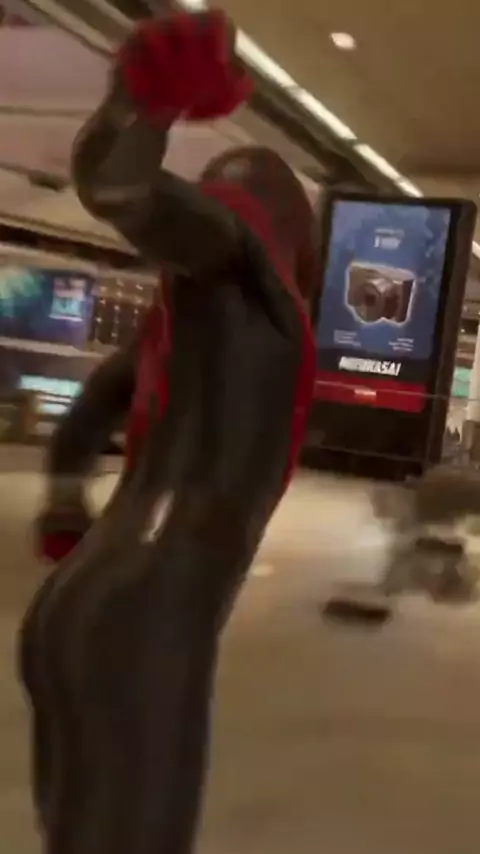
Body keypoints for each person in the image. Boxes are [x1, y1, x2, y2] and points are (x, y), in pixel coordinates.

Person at [18, 9, 317, 854]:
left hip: (79, 605)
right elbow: (126, 193)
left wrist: (66, 508)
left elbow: (84, 419)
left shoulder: (167, 338)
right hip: (147, 620)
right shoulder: (254, 287)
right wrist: (139, 105)